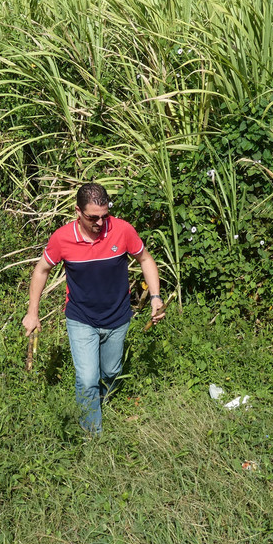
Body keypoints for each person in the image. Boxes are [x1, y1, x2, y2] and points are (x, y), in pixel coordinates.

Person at [22, 183, 165, 436]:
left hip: (118, 317)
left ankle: (102, 400)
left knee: (111, 371)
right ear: (78, 211)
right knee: (88, 379)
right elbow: (41, 270)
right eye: (92, 217)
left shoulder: (122, 231)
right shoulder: (62, 238)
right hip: (81, 318)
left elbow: (145, 259)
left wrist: (155, 297)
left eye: (104, 216)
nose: (100, 223)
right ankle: (92, 437)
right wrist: (33, 312)